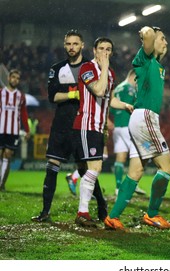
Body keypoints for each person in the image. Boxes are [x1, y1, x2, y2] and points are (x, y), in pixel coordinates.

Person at [31, 30, 107, 223]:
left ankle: (101, 206)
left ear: (82, 45)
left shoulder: (90, 67)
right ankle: (45, 211)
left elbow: (102, 94)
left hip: (82, 125)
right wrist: (73, 95)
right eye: (68, 44)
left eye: (75, 44)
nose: (72, 47)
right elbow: (52, 96)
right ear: (64, 46)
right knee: (52, 166)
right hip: (61, 126)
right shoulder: (57, 69)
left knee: (85, 170)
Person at [104, 26, 170, 231]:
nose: (166, 42)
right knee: (167, 167)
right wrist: (149, 31)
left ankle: (113, 217)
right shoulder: (145, 60)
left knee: (136, 170)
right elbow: (148, 35)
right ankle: (152, 214)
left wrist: (154, 34)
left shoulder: (158, 67)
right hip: (145, 118)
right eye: (163, 39)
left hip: (142, 118)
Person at [72, 37, 133, 227]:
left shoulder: (111, 74)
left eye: (108, 49)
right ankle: (83, 212)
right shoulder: (87, 68)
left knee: (90, 170)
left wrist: (124, 105)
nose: (104, 52)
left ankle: (90, 210)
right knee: (94, 169)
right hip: (86, 125)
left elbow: (109, 99)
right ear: (94, 50)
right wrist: (105, 68)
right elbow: (98, 90)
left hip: (98, 128)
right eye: (101, 49)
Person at [110, 69, 146, 196]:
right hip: (128, 126)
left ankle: (118, 187)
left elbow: (112, 107)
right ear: (133, 76)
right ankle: (133, 184)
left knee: (121, 157)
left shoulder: (118, 88)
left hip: (117, 126)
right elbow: (135, 105)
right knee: (138, 154)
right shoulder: (130, 89)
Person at [0, 69, 30, 191]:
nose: (15, 80)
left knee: (7, 155)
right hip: (1, 129)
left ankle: (1, 185)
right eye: (13, 77)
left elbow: (23, 114)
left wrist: (27, 130)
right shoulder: (1, 93)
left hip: (13, 131)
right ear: (8, 78)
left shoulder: (21, 96)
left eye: (17, 78)